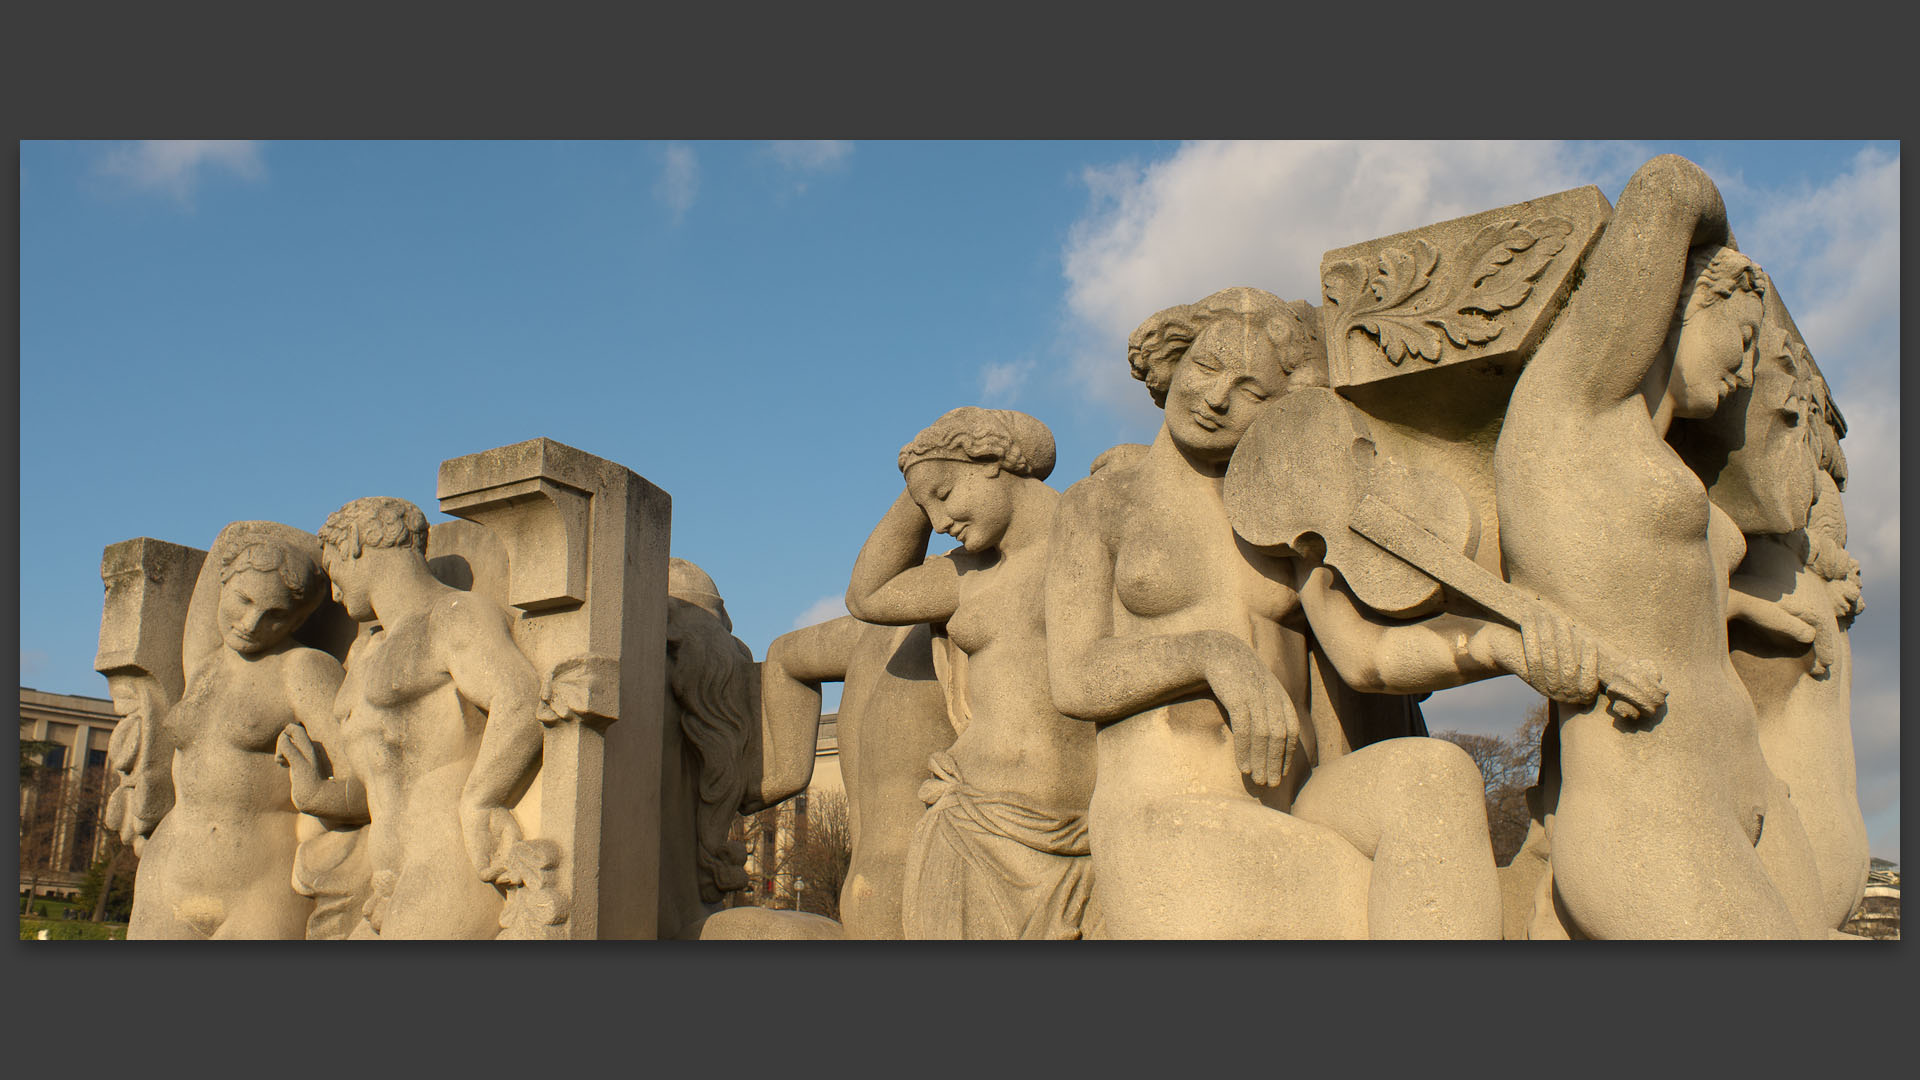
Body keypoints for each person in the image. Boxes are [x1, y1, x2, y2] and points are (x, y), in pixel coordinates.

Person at [1044, 286, 1636, 939]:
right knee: (1370, 903)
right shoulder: (1100, 504)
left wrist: (1503, 647)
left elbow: (1368, 658)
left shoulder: (1284, 518)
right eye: (1208, 366)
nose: (1214, 398)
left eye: (1251, 391)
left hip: (1294, 799)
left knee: (1432, 777)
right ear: (1175, 362)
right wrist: (1215, 658)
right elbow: (1074, 676)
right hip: (1165, 806)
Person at [1493, 154, 1828, 938]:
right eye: (1741, 340)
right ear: (1675, 305)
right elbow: (1672, 186)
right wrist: (1744, 274)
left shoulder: (1669, 462)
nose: (1747, 371)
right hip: (1651, 813)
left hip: (1743, 794)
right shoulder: (1573, 410)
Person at [845, 407, 1100, 939]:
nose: (939, 524)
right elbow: (867, 594)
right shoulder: (968, 576)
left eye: (944, 495)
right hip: (970, 825)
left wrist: (934, 464)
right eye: (926, 510)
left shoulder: (1094, 531)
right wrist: (922, 476)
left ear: (989, 460)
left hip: (1080, 833)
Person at [278, 496, 544, 939]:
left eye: (335, 570)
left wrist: (481, 799)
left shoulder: (454, 617)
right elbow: (376, 786)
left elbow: (518, 697)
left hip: (449, 859)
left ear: (357, 543)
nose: (337, 592)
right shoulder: (365, 651)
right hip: (383, 879)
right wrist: (313, 793)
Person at [128, 521, 342, 939]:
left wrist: (315, 791)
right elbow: (229, 538)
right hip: (167, 876)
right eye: (242, 600)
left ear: (299, 619)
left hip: (260, 884)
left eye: (276, 615)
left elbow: (367, 776)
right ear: (223, 587)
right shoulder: (205, 661)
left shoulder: (302, 669)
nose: (250, 622)